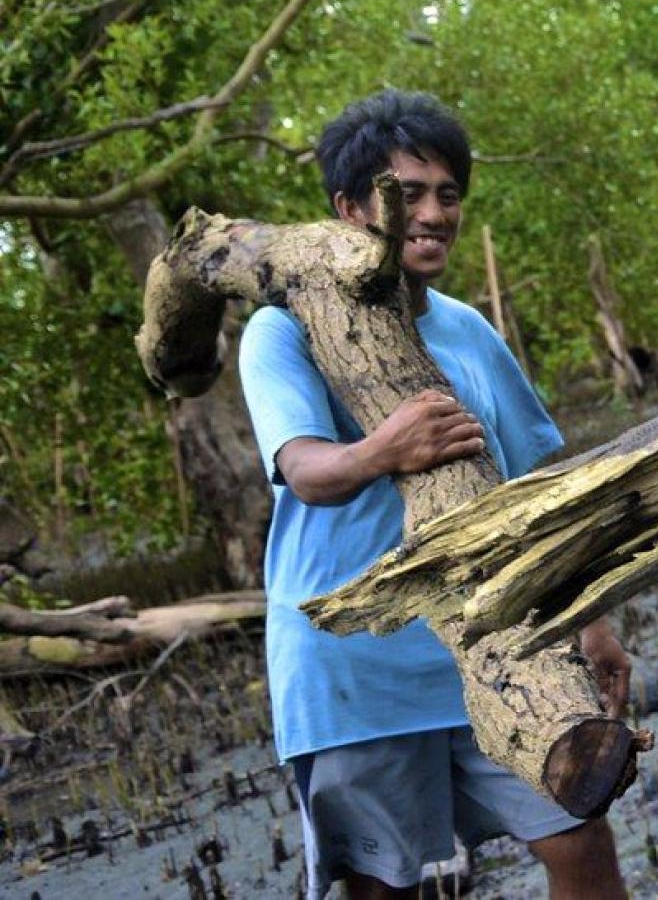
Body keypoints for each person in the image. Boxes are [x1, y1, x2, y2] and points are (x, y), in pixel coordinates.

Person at [239, 89, 631, 900]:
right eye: (406, 193)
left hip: (492, 645)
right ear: (348, 208)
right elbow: (307, 470)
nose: (433, 213)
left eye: (447, 194)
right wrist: (387, 448)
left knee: (581, 836)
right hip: (353, 667)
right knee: (383, 887)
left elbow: (539, 487)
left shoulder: (467, 330)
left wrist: (590, 618)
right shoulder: (281, 328)